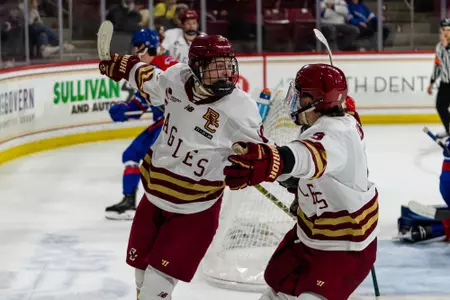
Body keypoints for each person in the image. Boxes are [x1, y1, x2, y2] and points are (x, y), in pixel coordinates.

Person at [98, 34, 266, 299]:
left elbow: (260, 153)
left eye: (227, 64)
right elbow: (150, 78)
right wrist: (125, 66)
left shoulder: (240, 108)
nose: (225, 72)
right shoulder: (177, 77)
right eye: (216, 66)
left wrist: (254, 164)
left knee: (155, 288)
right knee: (141, 280)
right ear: (196, 67)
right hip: (153, 200)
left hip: (194, 211)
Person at [224, 63, 378, 300]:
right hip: (308, 238)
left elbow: (306, 155)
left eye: (300, 95)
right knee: (275, 293)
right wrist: (291, 180)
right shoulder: (342, 124)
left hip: (342, 249)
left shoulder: (334, 134)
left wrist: (271, 162)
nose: (295, 101)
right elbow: (309, 166)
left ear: (315, 100)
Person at [105, 28, 178, 220]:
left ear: (147, 47)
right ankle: (129, 202)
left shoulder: (168, 65)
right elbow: (140, 104)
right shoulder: (144, 73)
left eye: (137, 47)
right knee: (131, 154)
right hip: (162, 123)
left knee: (160, 164)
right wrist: (124, 110)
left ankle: (168, 208)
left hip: (175, 125)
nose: (135, 51)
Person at [427, 19, 450, 139]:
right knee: (440, 105)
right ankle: (449, 129)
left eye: (448, 30)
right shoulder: (439, 47)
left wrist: (447, 47)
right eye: (443, 30)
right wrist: (432, 82)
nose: (446, 32)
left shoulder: (445, 47)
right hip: (445, 83)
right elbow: (438, 66)